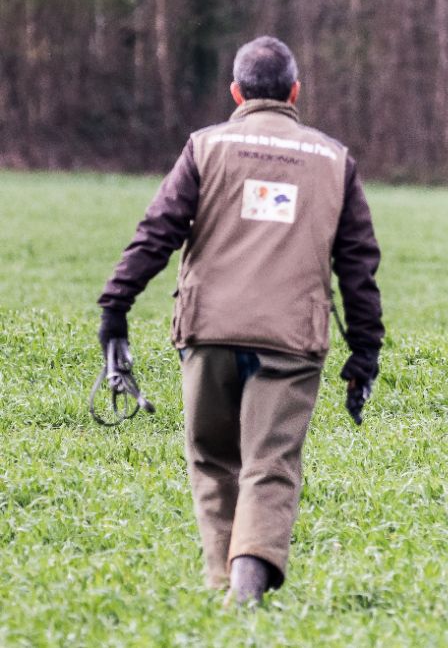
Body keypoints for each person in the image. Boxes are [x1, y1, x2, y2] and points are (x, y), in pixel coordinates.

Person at [97, 36, 384, 605]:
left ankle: (223, 585)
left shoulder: (205, 147)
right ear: (294, 92)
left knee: (213, 460)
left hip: (209, 331)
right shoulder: (333, 160)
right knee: (269, 465)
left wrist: (116, 305)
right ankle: (246, 591)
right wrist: (365, 350)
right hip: (291, 341)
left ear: (236, 92)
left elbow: (158, 232)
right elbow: (358, 264)